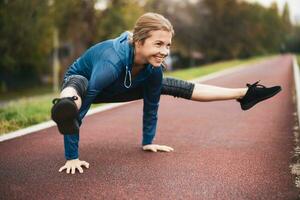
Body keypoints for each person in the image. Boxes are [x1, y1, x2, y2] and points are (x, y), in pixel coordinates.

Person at [51, 12, 282, 174]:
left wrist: (148, 141)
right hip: (85, 85)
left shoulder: (153, 69)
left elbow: (151, 105)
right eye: (159, 44)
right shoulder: (112, 62)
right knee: (77, 88)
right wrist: (72, 156)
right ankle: (65, 102)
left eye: (168, 46)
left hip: (122, 86)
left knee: (170, 84)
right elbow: (82, 109)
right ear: (139, 41)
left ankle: (244, 93)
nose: (165, 52)